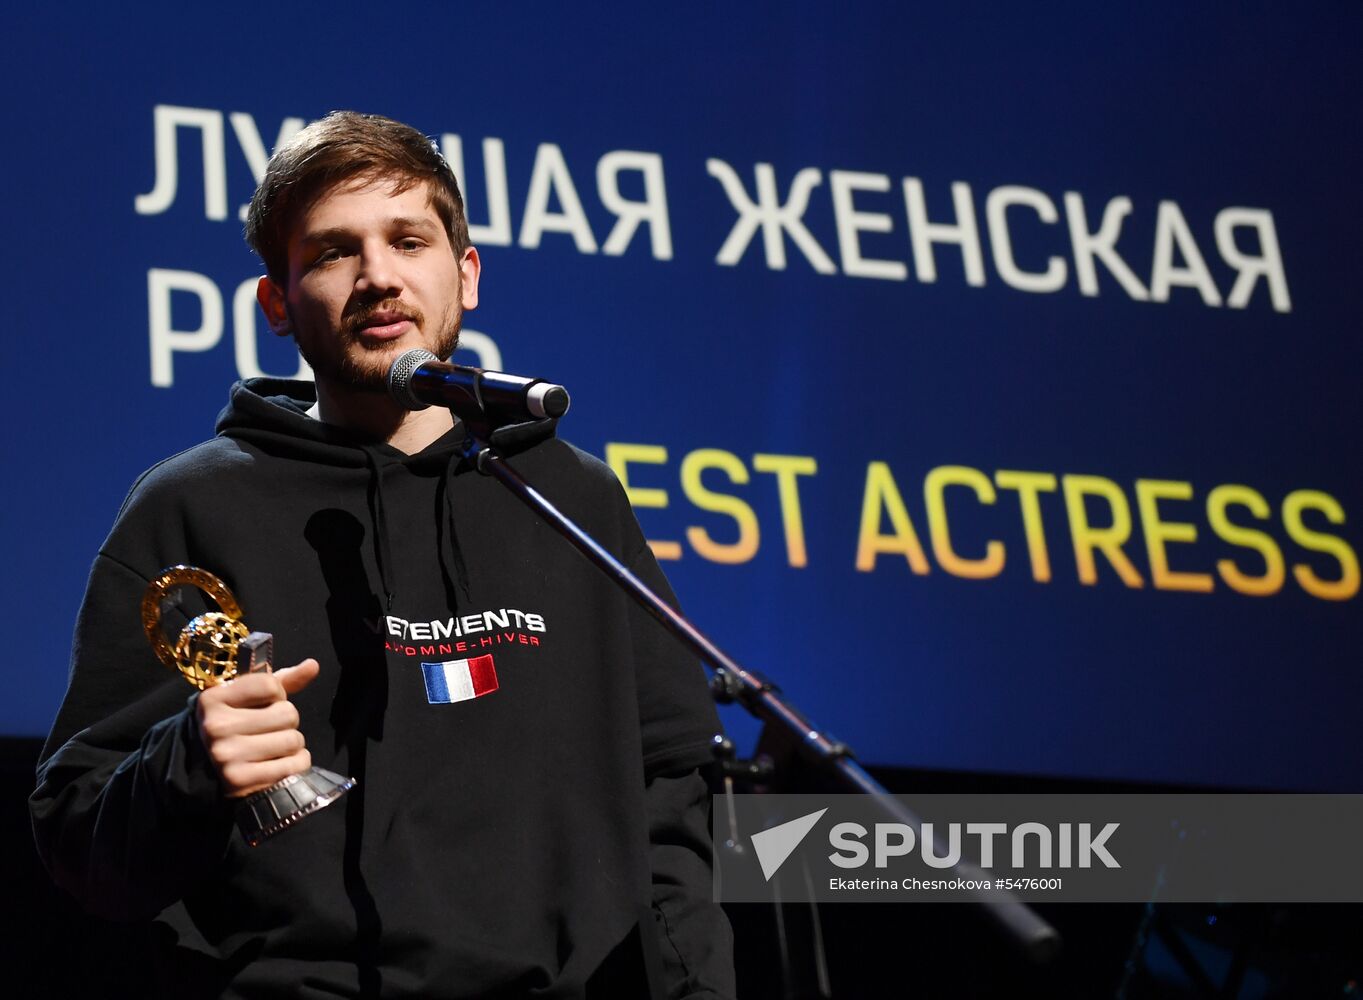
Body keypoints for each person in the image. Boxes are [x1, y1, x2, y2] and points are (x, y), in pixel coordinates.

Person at [31, 111, 735, 999]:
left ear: (466, 275)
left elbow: (672, 791)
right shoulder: (192, 505)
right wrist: (190, 765)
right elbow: (80, 844)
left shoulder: (571, 496)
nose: (378, 277)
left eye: (408, 239)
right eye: (332, 252)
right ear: (277, 305)